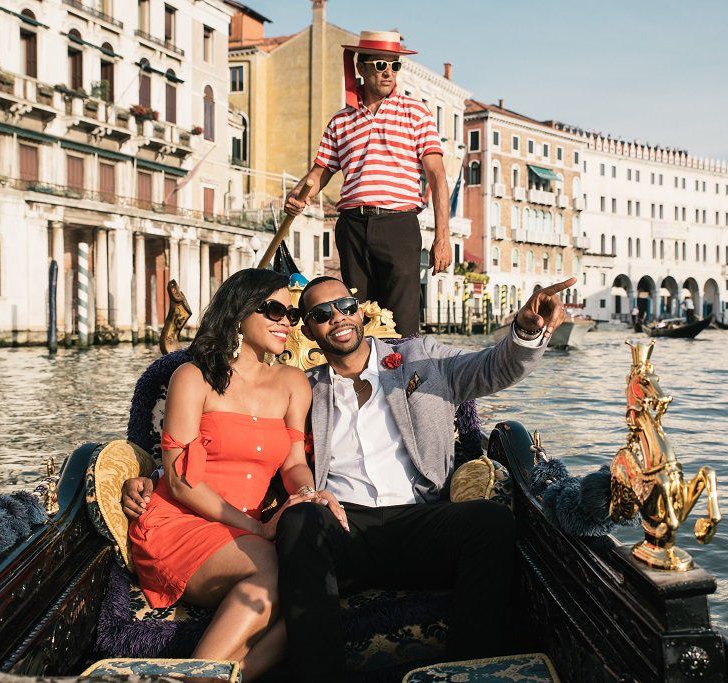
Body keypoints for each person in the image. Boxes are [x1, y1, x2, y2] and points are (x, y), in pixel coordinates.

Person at [125, 274, 575, 681]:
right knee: (302, 524)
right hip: (342, 526)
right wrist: (307, 496)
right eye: (319, 314)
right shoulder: (307, 384)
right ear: (311, 330)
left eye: (344, 306)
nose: (337, 318)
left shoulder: (422, 360)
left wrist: (527, 331)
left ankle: (468, 671)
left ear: (361, 311)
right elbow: (224, 458)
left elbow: (493, 367)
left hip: (415, 518)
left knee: (490, 523)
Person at [126, 268, 347, 681]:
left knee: (313, 587)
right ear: (239, 313)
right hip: (181, 522)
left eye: (292, 314)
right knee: (274, 565)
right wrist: (256, 528)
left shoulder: (293, 383)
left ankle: (215, 677)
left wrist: (307, 494)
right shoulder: (194, 378)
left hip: (244, 530)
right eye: (275, 309)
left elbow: (295, 463)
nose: (286, 322)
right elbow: (179, 480)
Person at [283, 30, 451, 337]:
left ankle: (403, 379)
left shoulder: (416, 112)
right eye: (380, 65)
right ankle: (361, 381)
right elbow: (319, 172)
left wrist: (442, 237)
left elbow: (438, 176)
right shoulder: (340, 120)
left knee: (402, 320)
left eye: (395, 66)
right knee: (355, 313)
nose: (388, 72)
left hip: (398, 225)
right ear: (361, 68)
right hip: (352, 227)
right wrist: (297, 195)